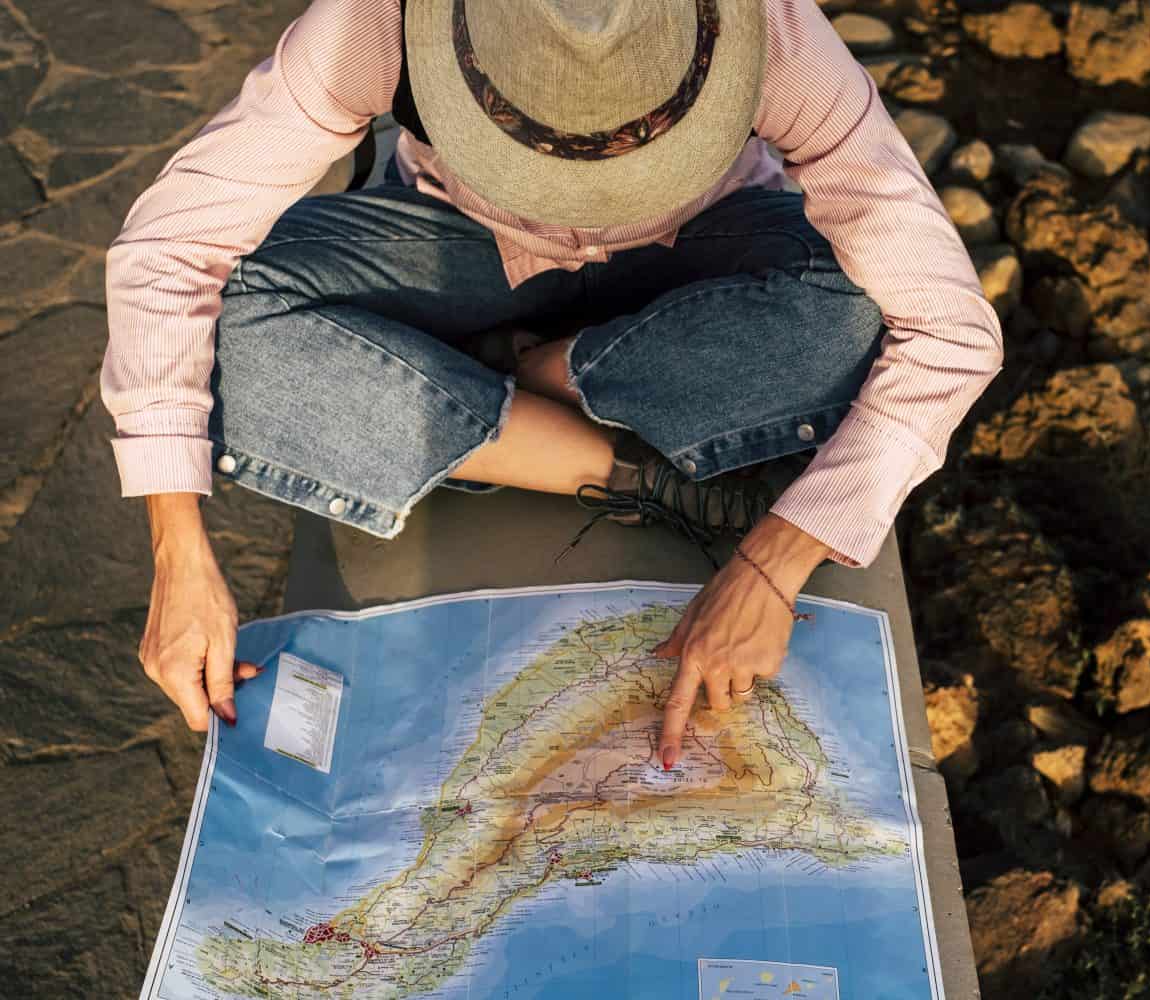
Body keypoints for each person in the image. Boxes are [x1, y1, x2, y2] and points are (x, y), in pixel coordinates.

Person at [105, 0, 1004, 771]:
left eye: (637, 150)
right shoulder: (376, 22)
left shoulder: (767, 26)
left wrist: (772, 566)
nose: (587, 200)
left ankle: (513, 372)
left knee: (854, 309)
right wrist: (176, 550)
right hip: (456, 242)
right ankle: (620, 467)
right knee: (232, 324)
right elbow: (167, 251)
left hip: (701, 248)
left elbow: (952, 331)